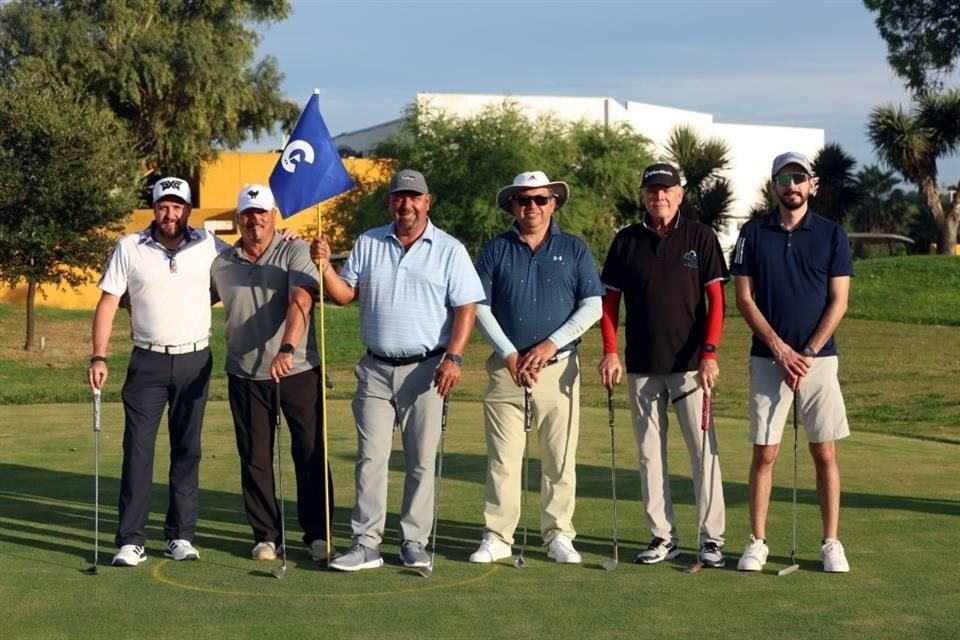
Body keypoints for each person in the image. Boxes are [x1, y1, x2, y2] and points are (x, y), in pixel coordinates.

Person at [312, 169, 484, 571]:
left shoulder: (449, 249)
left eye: (413, 197)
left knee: (421, 461)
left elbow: (466, 309)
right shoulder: (369, 241)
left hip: (427, 369)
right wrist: (323, 267)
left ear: (427, 202)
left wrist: (455, 358)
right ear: (389, 202)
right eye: (398, 197)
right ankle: (366, 543)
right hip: (374, 368)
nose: (405, 204)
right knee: (371, 459)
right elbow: (344, 295)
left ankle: (413, 541)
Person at [468, 171, 603, 565]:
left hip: (559, 368)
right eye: (524, 200)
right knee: (503, 461)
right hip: (506, 370)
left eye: (540, 200)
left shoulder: (575, 249)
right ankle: (498, 536)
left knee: (559, 459)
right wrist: (511, 355)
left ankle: (558, 534)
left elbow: (592, 305)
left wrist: (548, 346)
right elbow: (479, 307)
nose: (532, 207)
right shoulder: (495, 250)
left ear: (553, 203)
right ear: (513, 205)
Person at [597, 163, 729, 568]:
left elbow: (717, 303)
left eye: (667, 190)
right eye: (652, 191)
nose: (660, 197)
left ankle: (711, 539)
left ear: (680, 194)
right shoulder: (626, 241)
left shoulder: (700, 237)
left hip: (690, 365)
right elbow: (609, 305)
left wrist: (709, 352)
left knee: (703, 452)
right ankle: (662, 536)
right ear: (643, 196)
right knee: (650, 455)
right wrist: (610, 351)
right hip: (641, 364)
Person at [88, 177, 223, 567]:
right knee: (139, 451)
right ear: (154, 208)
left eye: (177, 206)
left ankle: (180, 536)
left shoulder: (209, 245)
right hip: (146, 361)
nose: (170, 213)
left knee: (187, 451)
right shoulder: (129, 247)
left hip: (195, 360)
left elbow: (246, 259)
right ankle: (131, 540)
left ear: (188, 210)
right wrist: (99, 356)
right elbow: (109, 302)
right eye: (164, 205)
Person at [731, 151, 853, 573]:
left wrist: (809, 351)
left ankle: (831, 542)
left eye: (799, 178)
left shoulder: (833, 235)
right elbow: (744, 298)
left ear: (812, 185)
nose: (792, 186)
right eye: (784, 178)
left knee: (824, 451)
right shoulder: (752, 232)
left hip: (819, 361)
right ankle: (758, 541)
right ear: (774, 186)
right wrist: (781, 349)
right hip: (768, 359)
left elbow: (839, 301)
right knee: (765, 453)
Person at [210, 184, 334, 563]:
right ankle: (266, 536)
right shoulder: (222, 262)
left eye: (261, 212)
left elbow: (302, 299)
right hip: (245, 375)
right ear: (238, 220)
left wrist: (287, 347)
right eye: (247, 214)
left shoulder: (294, 250)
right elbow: (192, 298)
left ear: (274, 216)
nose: (255, 219)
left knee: (310, 453)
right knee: (255, 458)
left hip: (297, 370)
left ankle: (318, 534)